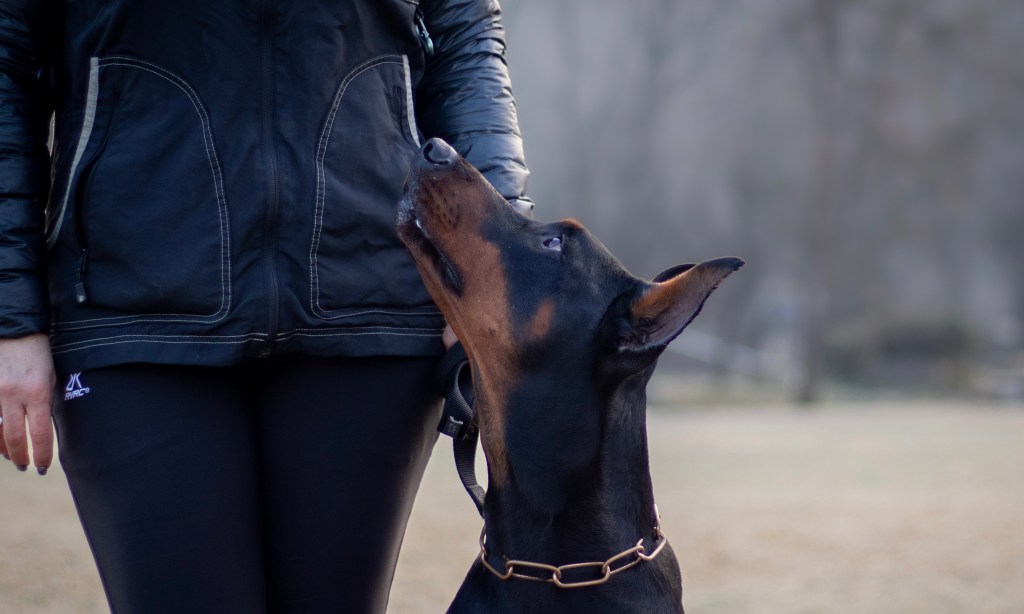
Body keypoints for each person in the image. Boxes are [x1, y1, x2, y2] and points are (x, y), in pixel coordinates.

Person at [0, 1, 532, 611]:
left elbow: (465, 42)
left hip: (368, 306)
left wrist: (493, 275)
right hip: (132, 314)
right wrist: (10, 315)